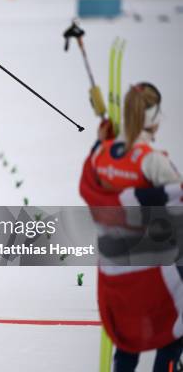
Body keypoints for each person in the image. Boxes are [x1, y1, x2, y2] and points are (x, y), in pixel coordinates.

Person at [80, 83, 183, 372]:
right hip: (152, 274)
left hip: (114, 276)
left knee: (127, 345)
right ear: (152, 116)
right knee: (173, 335)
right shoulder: (152, 160)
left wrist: (101, 142)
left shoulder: (101, 155)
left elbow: (92, 176)